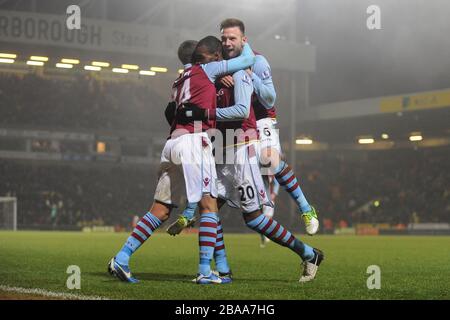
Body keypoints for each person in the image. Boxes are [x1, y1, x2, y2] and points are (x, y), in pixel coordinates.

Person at [108, 35, 256, 284]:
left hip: (172, 144)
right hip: (193, 142)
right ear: (214, 56)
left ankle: (121, 258)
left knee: (161, 209)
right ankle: (205, 272)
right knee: (209, 207)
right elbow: (248, 59)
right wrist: (243, 39)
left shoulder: (178, 79)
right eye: (219, 55)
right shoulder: (208, 69)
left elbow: (172, 110)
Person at [220, 18, 320, 236]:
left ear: (243, 40)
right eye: (224, 38)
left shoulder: (257, 61)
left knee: (269, 159)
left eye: (232, 38)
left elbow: (270, 99)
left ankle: (306, 209)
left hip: (261, 118)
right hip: (234, 124)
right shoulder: (220, 62)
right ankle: (215, 263)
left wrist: (250, 77)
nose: (227, 43)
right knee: (217, 189)